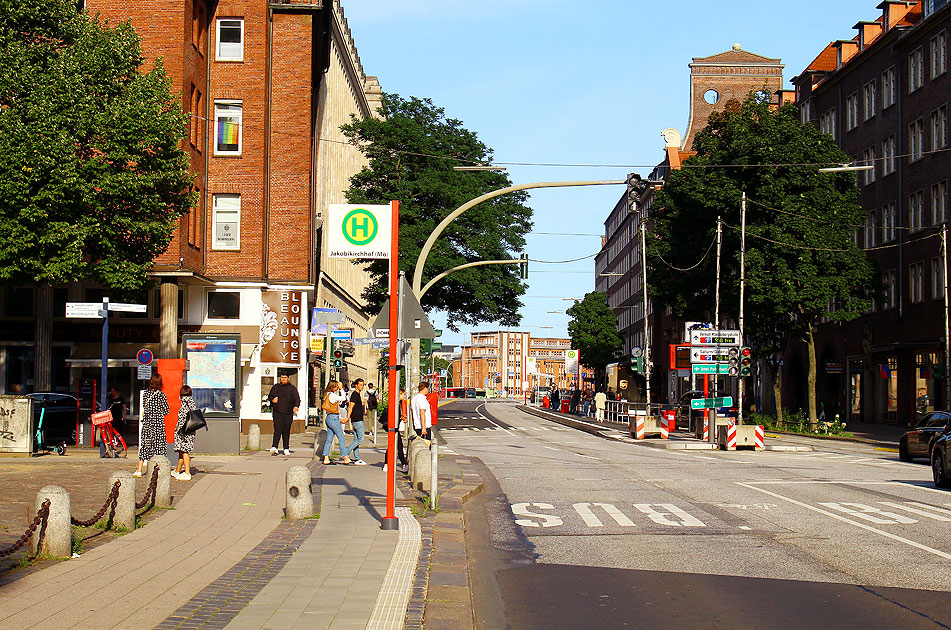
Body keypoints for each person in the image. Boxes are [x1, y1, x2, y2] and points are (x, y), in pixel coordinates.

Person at [135, 374, 169, 478]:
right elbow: (167, 410)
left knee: (145, 446)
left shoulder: (146, 394)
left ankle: (139, 470)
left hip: (147, 424)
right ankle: (157, 470)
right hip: (158, 425)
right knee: (158, 447)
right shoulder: (161, 395)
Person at [267, 372, 300, 456]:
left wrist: (296, 406)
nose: (283, 379)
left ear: (288, 378)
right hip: (277, 412)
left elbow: (297, 399)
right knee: (277, 429)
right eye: (282, 377)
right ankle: (275, 447)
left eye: (285, 377)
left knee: (286, 431)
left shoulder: (292, 388)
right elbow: (270, 396)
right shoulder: (276, 387)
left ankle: (286, 448)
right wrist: (272, 400)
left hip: (288, 412)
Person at [320, 380, 350, 465]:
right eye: (336, 386)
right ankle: (345, 456)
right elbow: (343, 398)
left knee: (329, 439)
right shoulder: (332, 395)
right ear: (333, 387)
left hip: (329, 417)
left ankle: (326, 457)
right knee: (341, 437)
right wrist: (341, 389)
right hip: (333, 418)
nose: (337, 388)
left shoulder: (327, 394)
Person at [173, 385, 198, 480]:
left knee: (184, 451)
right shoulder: (192, 402)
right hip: (191, 430)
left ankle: (187, 473)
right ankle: (177, 471)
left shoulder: (184, 402)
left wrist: (179, 428)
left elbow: (182, 417)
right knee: (182, 451)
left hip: (184, 431)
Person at [342, 379, 368, 465]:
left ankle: (357, 458)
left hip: (357, 419)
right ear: (356, 385)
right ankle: (345, 453)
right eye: (360, 385)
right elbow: (350, 407)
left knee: (356, 439)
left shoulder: (357, 394)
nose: (362, 386)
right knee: (360, 439)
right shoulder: (355, 395)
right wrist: (347, 418)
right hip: (357, 419)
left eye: (363, 385)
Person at [384, 388, 408, 473]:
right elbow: (394, 417)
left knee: (392, 446)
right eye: (403, 394)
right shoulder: (395, 404)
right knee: (399, 447)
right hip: (393, 428)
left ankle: (386, 464)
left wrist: (402, 418)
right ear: (399, 394)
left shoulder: (397, 403)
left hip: (394, 427)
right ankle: (404, 464)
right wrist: (402, 418)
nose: (404, 396)